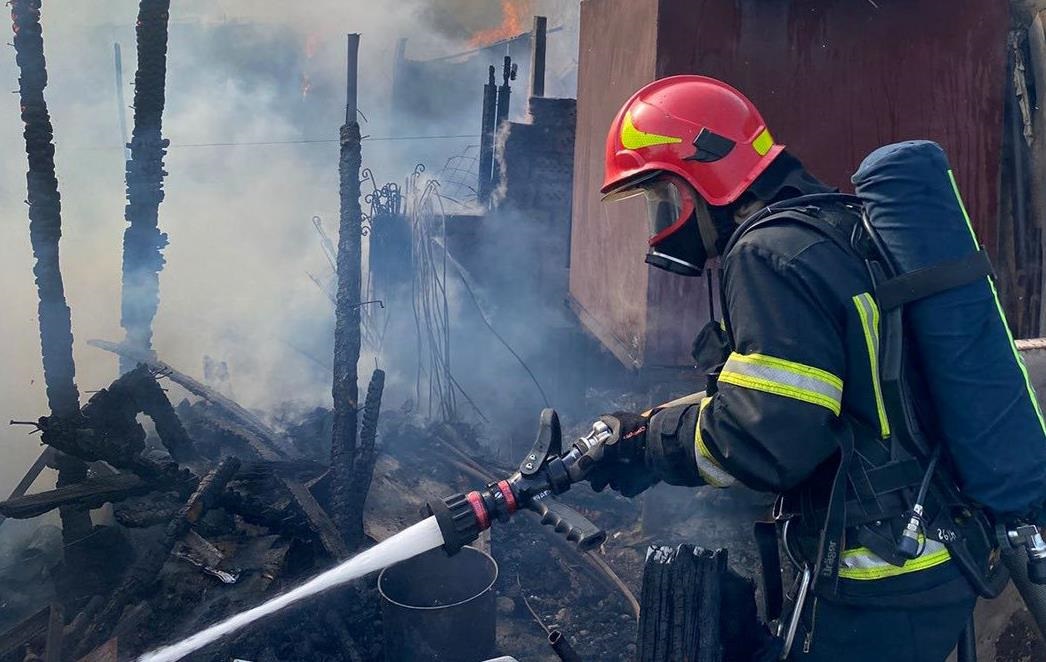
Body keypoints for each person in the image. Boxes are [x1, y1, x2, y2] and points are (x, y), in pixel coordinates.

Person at [591, 75, 980, 661]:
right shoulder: (826, 229)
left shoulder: (765, 255)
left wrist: (652, 449)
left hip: (881, 571)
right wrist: (650, 423)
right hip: (931, 543)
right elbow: (788, 390)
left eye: (665, 195)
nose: (664, 218)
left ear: (705, 172)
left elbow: (769, 437)